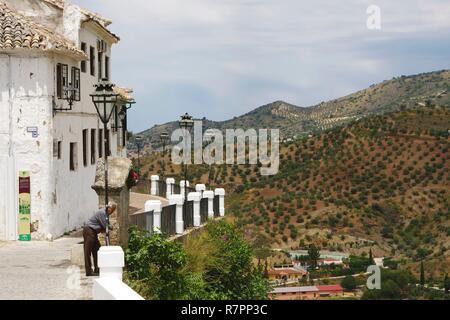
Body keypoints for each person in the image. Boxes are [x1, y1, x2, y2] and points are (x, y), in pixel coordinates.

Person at [83, 201, 116, 276]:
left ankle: (97, 269)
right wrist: (111, 227)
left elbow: (104, 227)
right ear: (110, 208)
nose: (111, 211)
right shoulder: (102, 213)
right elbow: (105, 226)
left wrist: (106, 227)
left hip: (93, 232)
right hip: (89, 230)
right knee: (87, 251)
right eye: (111, 209)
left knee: (97, 250)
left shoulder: (105, 215)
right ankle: (88, 271)